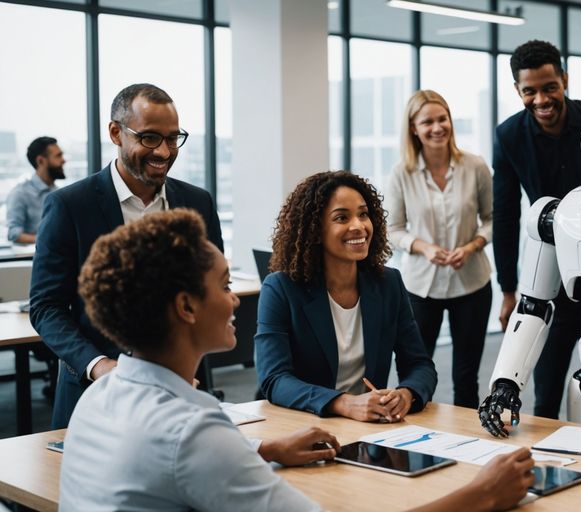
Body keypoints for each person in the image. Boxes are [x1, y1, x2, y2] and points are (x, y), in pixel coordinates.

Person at [62, 208, 536, 512]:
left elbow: (176, 463)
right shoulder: (193, 432)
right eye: (225, 286)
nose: (234, 302)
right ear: (186, 308)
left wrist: (263, 449)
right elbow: (192, 450)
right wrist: (483, 494)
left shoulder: (102, 393)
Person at [30, 83, 223, 429]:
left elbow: (211, 289)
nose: (164, 151)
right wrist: (99, 365)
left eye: (172, 137)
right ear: (116, 133)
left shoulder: (198, 203)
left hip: (184, 394)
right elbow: (46, 307)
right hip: (98, 397)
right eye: (149, 138)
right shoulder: (70, 206)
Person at [256, 171, 438, 422]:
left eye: (363, 214)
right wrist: (344, 403)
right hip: (303, 424)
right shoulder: (280, 288)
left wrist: (406, 394)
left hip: (369, 428)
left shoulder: (389, 284)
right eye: (342, 217)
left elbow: (420, 365)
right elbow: (274, 379)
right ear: (315, 231)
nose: (359, 226)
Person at [491, 39, 581, 419]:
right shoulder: (509, 136)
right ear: (517, 91)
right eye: (530, 91)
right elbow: (505, 215)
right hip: (551, 280)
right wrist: (509, 292)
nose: (541, 99)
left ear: (565, 80)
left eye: (549, 87)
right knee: (545, 392)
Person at [386, 90, 494, 409]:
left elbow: (493, 218)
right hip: (421, 287)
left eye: (442, 119)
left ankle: (470, 449)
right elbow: (393, 230)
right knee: (414, 375)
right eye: (427, 121)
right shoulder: (401, 174)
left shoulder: (474, 166)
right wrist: (423, 248)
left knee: (466, 378)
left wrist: (474, 246)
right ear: (414, 129)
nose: (437, 127)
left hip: (471, 284)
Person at [6, 136, 65, 244]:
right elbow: (13, 234)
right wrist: (49, 241)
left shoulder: (59, 192)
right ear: (40, 161)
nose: (63, 160)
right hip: (33, 257)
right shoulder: (20, 194)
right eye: (58, 156)